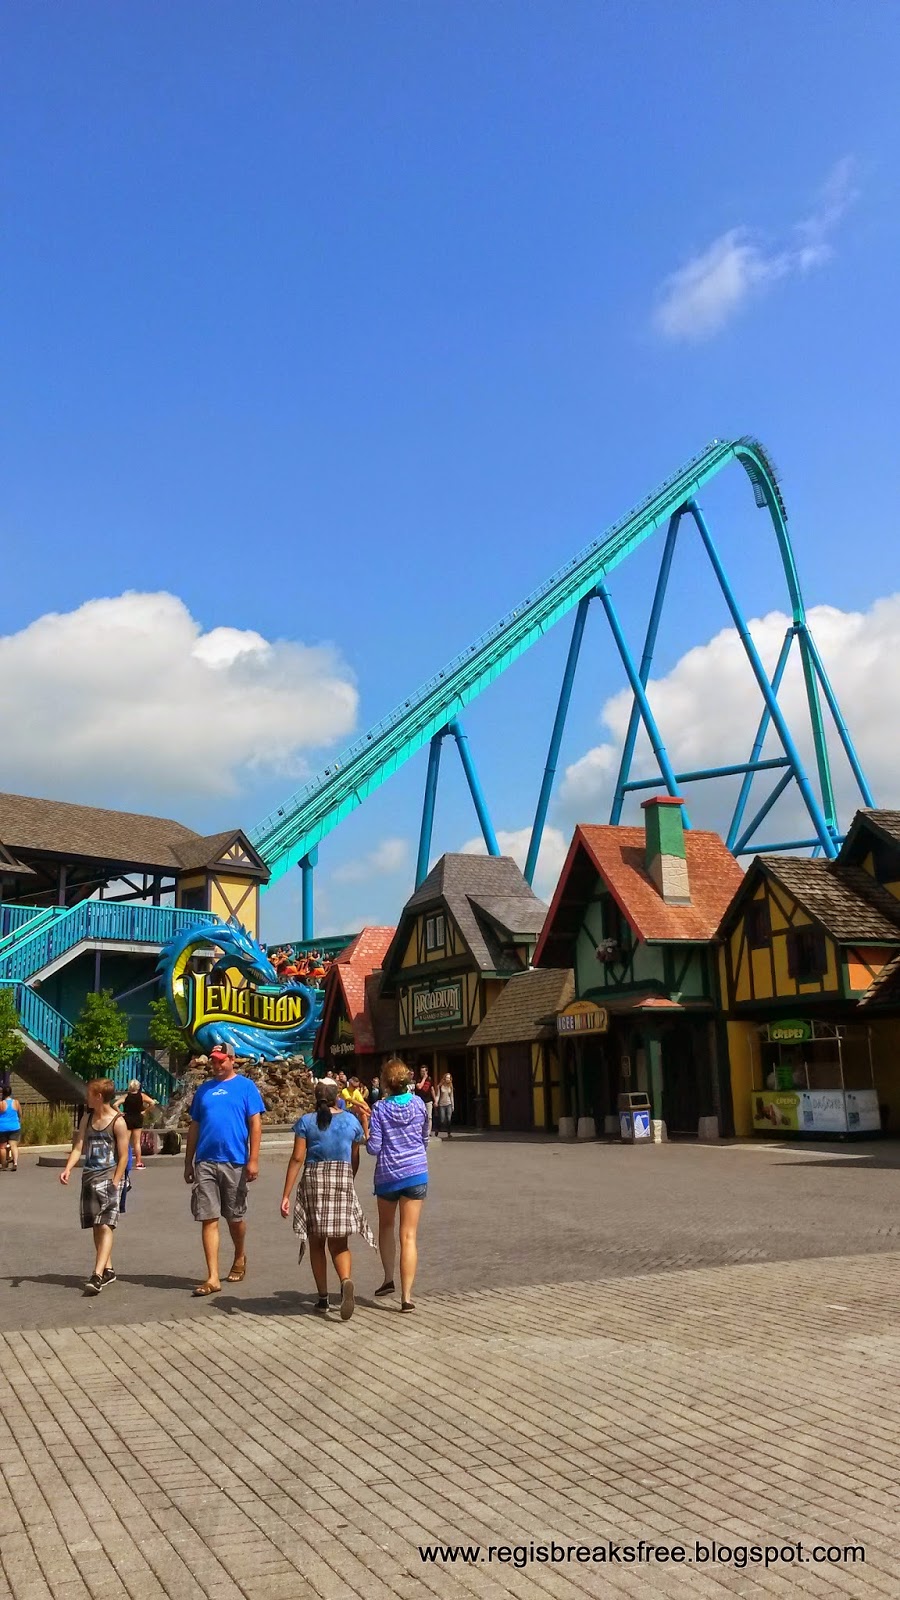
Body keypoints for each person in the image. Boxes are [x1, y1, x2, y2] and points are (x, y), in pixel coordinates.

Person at [280, 1081, 375, 1318]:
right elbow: (354, 1157)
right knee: (339, 1244)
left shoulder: (306, 1122)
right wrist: (349, 1180)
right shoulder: (351, 1121)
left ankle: (323, 1299)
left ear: (316, 1096)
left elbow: (297, 1158)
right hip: (341, 1179)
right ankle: (345, 1281)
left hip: (314, 1180)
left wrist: (286, 1194)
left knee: (316, 1242)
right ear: (337, 1097)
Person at [183, 1044, 265, 1297]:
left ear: (232, 1060)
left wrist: (253, 1159)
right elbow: (194, 1126)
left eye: (221, 1061)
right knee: (208, 1218)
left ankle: (239, 1254)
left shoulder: (246, 1087)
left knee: (234, 1217)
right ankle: (212, 1277)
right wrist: (188, 1161)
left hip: (235, 1160)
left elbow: (255, 1124)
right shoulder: (204, 1090)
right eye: (213, 1061)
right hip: (205, 1161)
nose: (216, 1065)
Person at [367, 1058, 429, 1311]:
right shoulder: (419, 1104)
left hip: (388, 1175)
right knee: (409, 1235)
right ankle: (406, 1297)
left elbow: (374, 1148)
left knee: (387, 1226)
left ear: (386, 1083)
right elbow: (425, 1137)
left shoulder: (379, 1109)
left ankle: (387, 1278)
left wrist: (366, 1133)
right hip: (416, 1172)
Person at [59, 1078, 130, 1295]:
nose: (86, 1097)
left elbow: (124, 1156)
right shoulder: (87, 1118)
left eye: (89, 1094)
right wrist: (68, 1168)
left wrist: (116, 1181)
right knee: (96, 1225)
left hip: (109, 1179)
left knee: (106, 1225)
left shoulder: (118, 1122)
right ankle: (108, 1269)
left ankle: (97, 1275)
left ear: (98, 1097)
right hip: (89, 1178)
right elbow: (78, 1147)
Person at [115, 1080, 157, 1169]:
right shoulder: (141, 1096)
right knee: (137, 1142)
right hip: (138, 1117)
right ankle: (138, 1162)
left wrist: (120, 1113)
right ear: (138, 1087)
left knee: (125, 1141)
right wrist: (145, 1111)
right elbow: (152, 1103)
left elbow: (115, 1104)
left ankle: (124, 1161)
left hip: (127, 1117)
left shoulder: (126, 1096)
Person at [0, 1089, 22, 1171]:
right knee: (13, 1145)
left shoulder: (1, 1103)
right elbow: (20, 1114)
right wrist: (18, 1121)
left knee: (2, 1147)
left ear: (3, 1094)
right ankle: (15, 1163)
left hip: (2, 1127)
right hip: (14, 1126)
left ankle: (3, 1165)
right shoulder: (16, 1102)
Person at [414, 1064, 435, 1139]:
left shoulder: (430, 1079)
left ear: (427, 1071)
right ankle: (422, 1132)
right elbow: (419, 1087)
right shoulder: (418, 1079)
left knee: (429, 1117)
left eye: (424, 1071)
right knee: (421, 1117)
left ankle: (428, 1133)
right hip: (420, 1101)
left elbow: (432, 1089)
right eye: (421, 1071)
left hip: (428, 1101)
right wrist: (424, 1079)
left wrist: (435, 1100)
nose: (422, 1073)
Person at [435, 1072, 455, 1139]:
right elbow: (438, 1095)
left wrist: (453, 1106)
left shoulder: (450, 1086)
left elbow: (451, 1096)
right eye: (447, 1077)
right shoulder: (440, 1086)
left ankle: (449, 1133)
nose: (448, 1079)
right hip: (442, 1104)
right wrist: (436, 1102)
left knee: (449, 1119)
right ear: (444, 1078)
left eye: (449, 1078)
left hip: (448, 1104)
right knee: (442, 1119)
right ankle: (437, 1129)